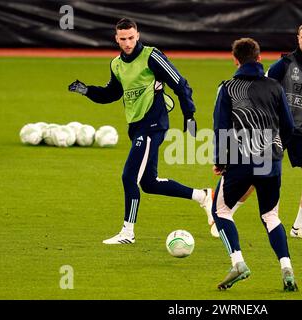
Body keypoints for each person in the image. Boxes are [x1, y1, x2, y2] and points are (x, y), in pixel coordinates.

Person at [68, 18, 215, 244]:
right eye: (123, 39)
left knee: (129, 177)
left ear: (137, 35)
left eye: (131, 38)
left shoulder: (152, 56)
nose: (127, 43)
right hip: (136, 127)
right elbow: (112, 94)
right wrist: (87, 90)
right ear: (116, 39)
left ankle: (128, 232)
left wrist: (189, 115)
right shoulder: (116, 64)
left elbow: (179, 83)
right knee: (149, 183)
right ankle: (203, 196)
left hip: (153, 125)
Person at [212, 38, 298, 291]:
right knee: (271, 216)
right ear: (260, 59)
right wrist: (278, 148)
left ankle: (238, 262)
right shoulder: (274, 86)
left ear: (235, 59)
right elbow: (289, 126)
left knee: (221, 212)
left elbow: (221, 128)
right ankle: (286, 267)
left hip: (240, 159)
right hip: (270, 159)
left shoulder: (227, 87)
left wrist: (220, 160)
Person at [234, 21, 302, 240]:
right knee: (256, 177)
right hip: (276, 128)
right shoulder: (284, 64)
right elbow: (263, 87)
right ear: (297, 38)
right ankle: (224, 213)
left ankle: (298, 228)